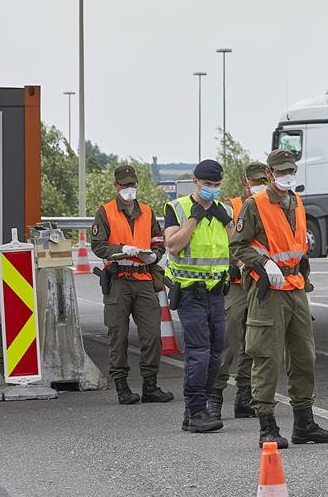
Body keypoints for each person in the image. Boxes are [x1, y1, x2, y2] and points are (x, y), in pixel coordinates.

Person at [230, 149, 328, 448]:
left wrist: (302, 275)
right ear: (269, 173)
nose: (286, 176)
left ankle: (304, 423)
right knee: (266, 356)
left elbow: (297, 247)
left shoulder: (296, 201)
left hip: (295, 286)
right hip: (269, 291)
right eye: (280, 172)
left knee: (304, 355)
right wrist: (264, 264)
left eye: (290, 170)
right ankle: (267, 426)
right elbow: (238, 246)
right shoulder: (255, 205)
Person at [91, 164, 173, 405]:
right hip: (118, 281)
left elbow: (159, 241)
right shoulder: (105, 212)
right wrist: (121, 250)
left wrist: (155, 256)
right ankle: (122, 387)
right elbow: (98, 245)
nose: (129, 189)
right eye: (124, 185)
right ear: (116, 186)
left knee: (151, 335)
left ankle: (150, 386)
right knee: (118, 334)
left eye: (132, 185)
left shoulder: (147, 212)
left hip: (144, 279)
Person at [164, 159, 233, 433]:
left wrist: (227, 220)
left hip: (216, 292)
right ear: (195, 181)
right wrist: (194, 217)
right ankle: (196, 412)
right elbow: (173, 246)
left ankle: (194, 410)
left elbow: (234, 242)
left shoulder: (222, 210)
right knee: (199, 353)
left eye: (216, 185)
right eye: (207, 185)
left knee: (217, 352)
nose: (212, 190)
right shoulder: (178, 208)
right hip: (190, 291)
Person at [207, 162, 270, 421]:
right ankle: (214, 396)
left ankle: (244, 395)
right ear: (245, 182)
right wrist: (238, 262)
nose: (260, 186)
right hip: (236, 283)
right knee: (228, 341)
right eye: (256, 181)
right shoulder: (229, 207)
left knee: (253, 343)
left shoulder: (273, 207)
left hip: (261, 281)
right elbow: (222, 243)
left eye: (264, 181)